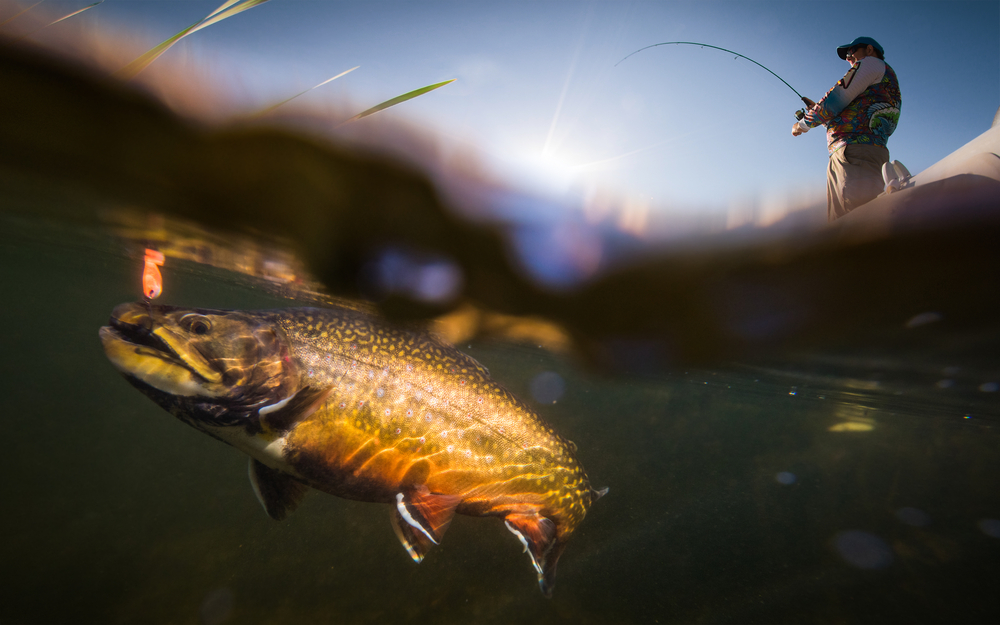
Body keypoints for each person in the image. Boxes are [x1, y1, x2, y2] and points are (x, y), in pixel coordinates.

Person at [792, 36, 901, 221]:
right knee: (853, 221)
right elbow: (854, 114)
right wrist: (821, 114)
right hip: (865, 151)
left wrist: (802, 125)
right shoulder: (882, 76)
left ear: (869, 49)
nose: (848, 57)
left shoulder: (871, 63)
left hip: (853, 154)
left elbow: (836, 99)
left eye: (851, 52)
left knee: (851, 223)